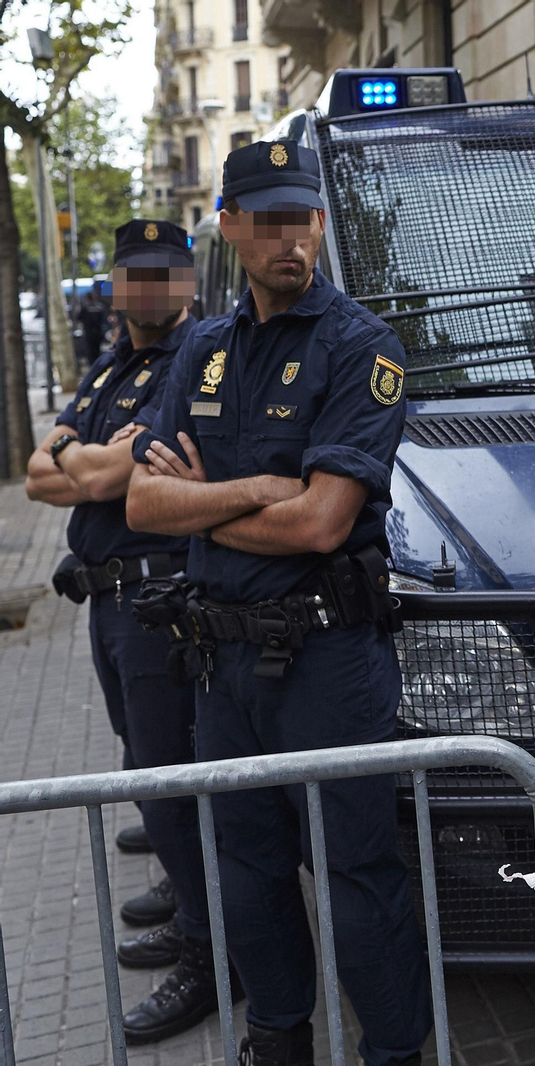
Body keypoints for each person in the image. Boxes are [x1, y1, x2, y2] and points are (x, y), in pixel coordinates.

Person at [125, 141, 430, 1066]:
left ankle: (395, 1051)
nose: (289, 239)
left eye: (302, 219)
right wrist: (259, 490)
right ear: (230, 228)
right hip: (221, 664)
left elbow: (321, 524)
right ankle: (277, 1038)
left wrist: (205, 504)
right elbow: (143, 504)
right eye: (267, 222)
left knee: (357, 875)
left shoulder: (362, 346)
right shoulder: (205, 349)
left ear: (320, 223)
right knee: (247, 872)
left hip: (327, 662)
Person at [24, 219, 221, 1044]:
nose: (147, 287)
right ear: (115, 285)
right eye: (134, 273)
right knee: (145, 766)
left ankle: (213, 958)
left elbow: (106, 475)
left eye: (163, 272)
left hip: (156, 601)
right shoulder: (113, 363)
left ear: (186, 282)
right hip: (107, 604)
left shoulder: (191, 360)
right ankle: (191, 910)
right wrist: (82, 457)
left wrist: (77, 457)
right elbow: (38, 477)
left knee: (170, 781)